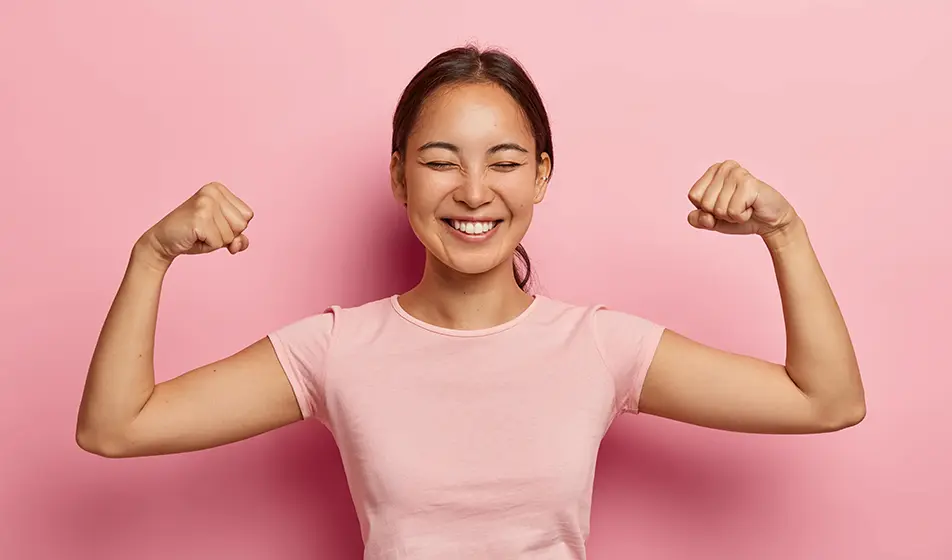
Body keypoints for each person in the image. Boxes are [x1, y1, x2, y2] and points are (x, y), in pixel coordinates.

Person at [76, 45, 866, 559]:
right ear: (400, 178)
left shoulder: (597, 346)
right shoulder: (336, 350)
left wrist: (786, 233)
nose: (475, 192)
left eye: (506, 161)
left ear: (542, 177)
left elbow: (825, 401)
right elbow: (116, 427)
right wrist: (152, 256)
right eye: (441, 161)